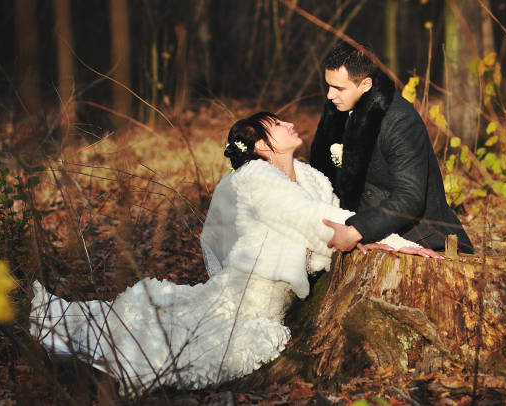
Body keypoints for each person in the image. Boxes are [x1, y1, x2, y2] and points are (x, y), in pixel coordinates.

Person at [29, 112, 436, 395]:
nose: (291, 124)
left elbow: (329, 225)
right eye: (277, 124)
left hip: (273, 302)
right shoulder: (255, 178)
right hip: (246, 301)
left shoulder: (312, 177)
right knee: (189, 342)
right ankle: (91, 366)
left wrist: (362, 237)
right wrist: (390, 237)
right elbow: (312, 218)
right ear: (261, 145)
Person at [310, 42, 473, 254]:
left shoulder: (399, 121)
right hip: (361, 231)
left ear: (366, 84)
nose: (330, 95)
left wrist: (357, 230)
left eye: (339, 88)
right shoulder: (337, 113)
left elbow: (409, 196)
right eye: (328, 86)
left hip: (421, 239)